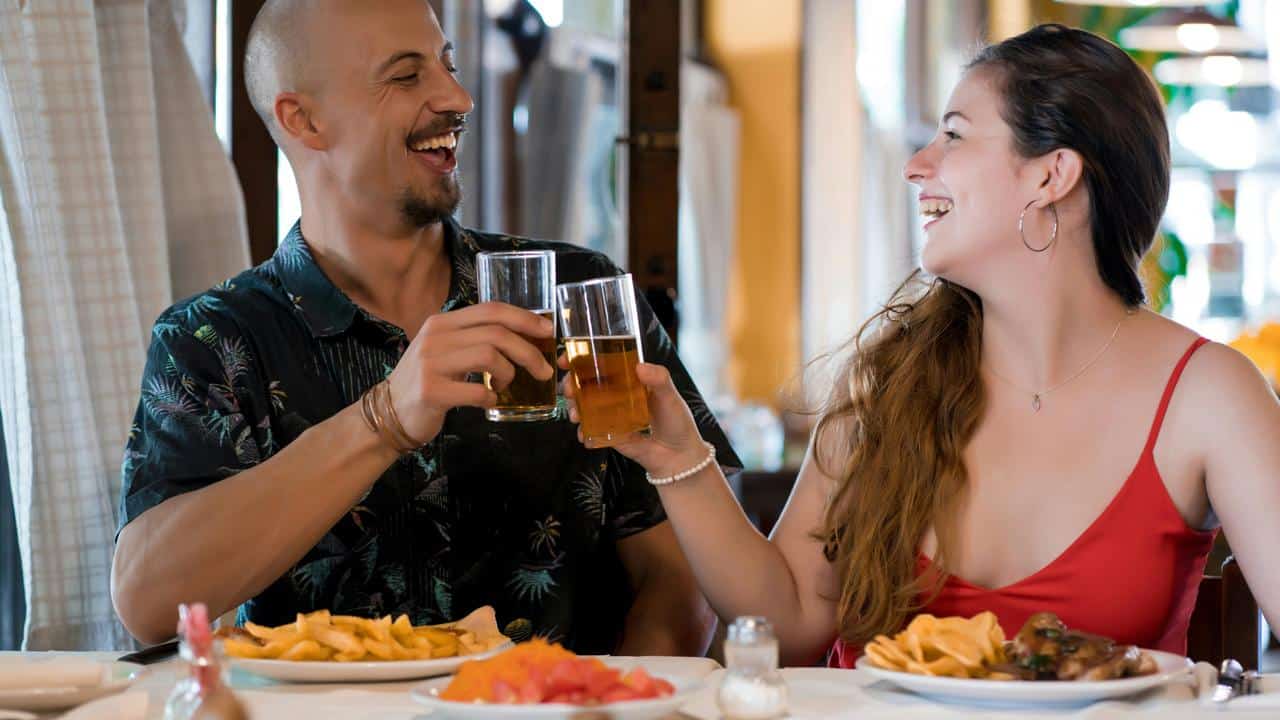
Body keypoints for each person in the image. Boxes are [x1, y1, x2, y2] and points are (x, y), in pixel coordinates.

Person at [565, 24, 1280, 666]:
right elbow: (786, 625)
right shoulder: (888, 384)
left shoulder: (1209, 395)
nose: (915, 164)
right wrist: (679, 457)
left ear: (1050, 175)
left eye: (955, 135)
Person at [111, 0, 738, 655]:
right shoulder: (211, 339)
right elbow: (147, 603)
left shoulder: (580, 294)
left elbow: (683, 575)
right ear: (304, 118)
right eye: (407, 77)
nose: (459, 98)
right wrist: (381, 420)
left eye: (448, 66)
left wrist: (602, 702)